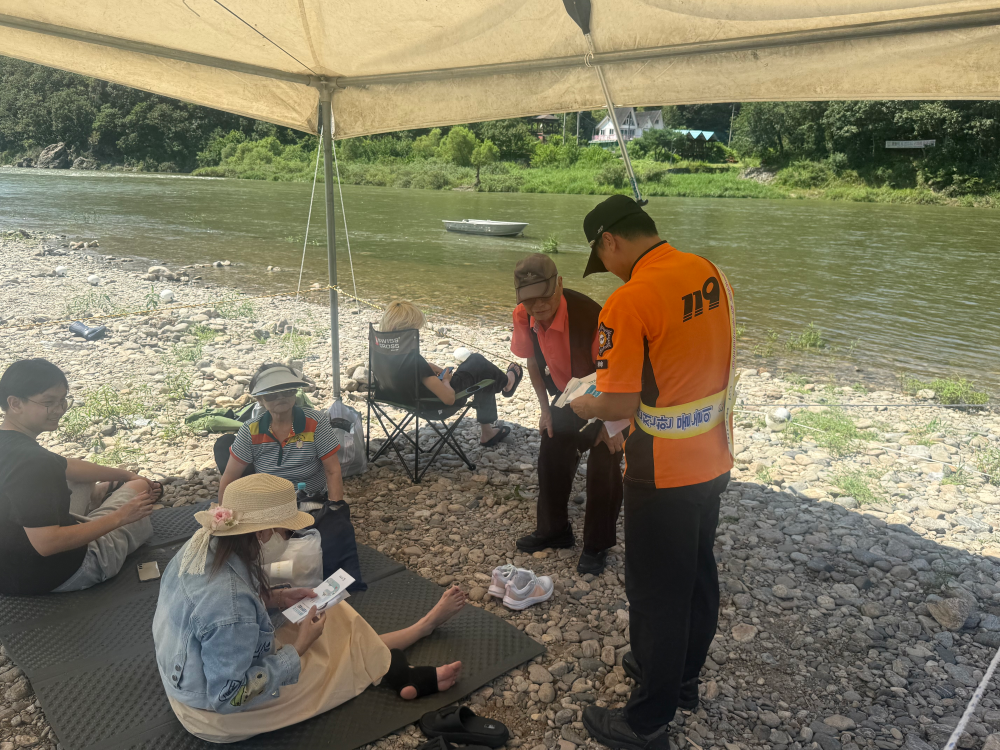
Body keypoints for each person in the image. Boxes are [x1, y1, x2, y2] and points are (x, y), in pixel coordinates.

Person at [570, 196, 736, 750]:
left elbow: (617, 404)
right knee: (695, 577)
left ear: (609, 241)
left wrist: (582, 404)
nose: (607, 273)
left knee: (656, 597)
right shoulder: (707, 271)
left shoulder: (630, 298)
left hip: (659, 472)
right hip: (713, 457)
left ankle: (646, 723)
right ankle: (681, 681)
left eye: (603, 261)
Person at [153, 473, 465, 743]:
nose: (289, 540)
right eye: (287, 532)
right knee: (338, 655)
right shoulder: (230, 604)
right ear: (262, 534)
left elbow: (209, 617)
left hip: (186, 676)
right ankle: (413, 644)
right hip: (213, 713)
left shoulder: (203, 543)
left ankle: (403, 656)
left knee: (336, 614)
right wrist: (301, 646)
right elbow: (231, 697)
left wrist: (274, 598)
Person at [0, 358, 161, 595]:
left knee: (85, 478)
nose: (59, 410)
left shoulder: (13, 445)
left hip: (9, 567)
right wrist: (122, 516)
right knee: (139, 488)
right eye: (49, 402)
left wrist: (124, 473)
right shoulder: (34, 463)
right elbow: (47, 544)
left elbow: (66, 466)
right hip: (60, 572)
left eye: (63, 400)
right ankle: (104, 503)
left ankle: (98, 496)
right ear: (15, 403)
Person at [509, 253, 624, 575]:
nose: (538, 308)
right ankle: (554, 531)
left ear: (559, 284)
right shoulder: (523, 314)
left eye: (544, 298)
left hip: (607, 395)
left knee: (605, 465)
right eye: (529, 302)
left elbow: (612, 375)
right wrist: (545, 410)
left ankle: (596, 545)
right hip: (566, 395)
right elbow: (532, 362)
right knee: (551, 456)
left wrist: (607, 422)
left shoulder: (592, 316)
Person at [379, 300, 523, 447]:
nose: (417, 335)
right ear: (404, 331)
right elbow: (449, 399)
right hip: (437, 406)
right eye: (415, 330)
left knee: (481, 372)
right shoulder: (414, 361)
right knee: (478, 362)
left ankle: (488, 430)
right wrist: (446, 380)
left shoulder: (381, 355)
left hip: (409, 402)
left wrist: (428, 367)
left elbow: (409, 374)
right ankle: (507, 384)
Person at [218, 364, 343, 504]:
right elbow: (230, 477)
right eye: (271, 394)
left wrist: (335, 509)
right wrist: (223, 515)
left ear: (295, 392)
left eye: (288, 391)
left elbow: (333, 471)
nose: (281, 397)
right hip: (268, 503)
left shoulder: (316, 422)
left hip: (310, 499)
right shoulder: (250, 430)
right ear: (259, 399)